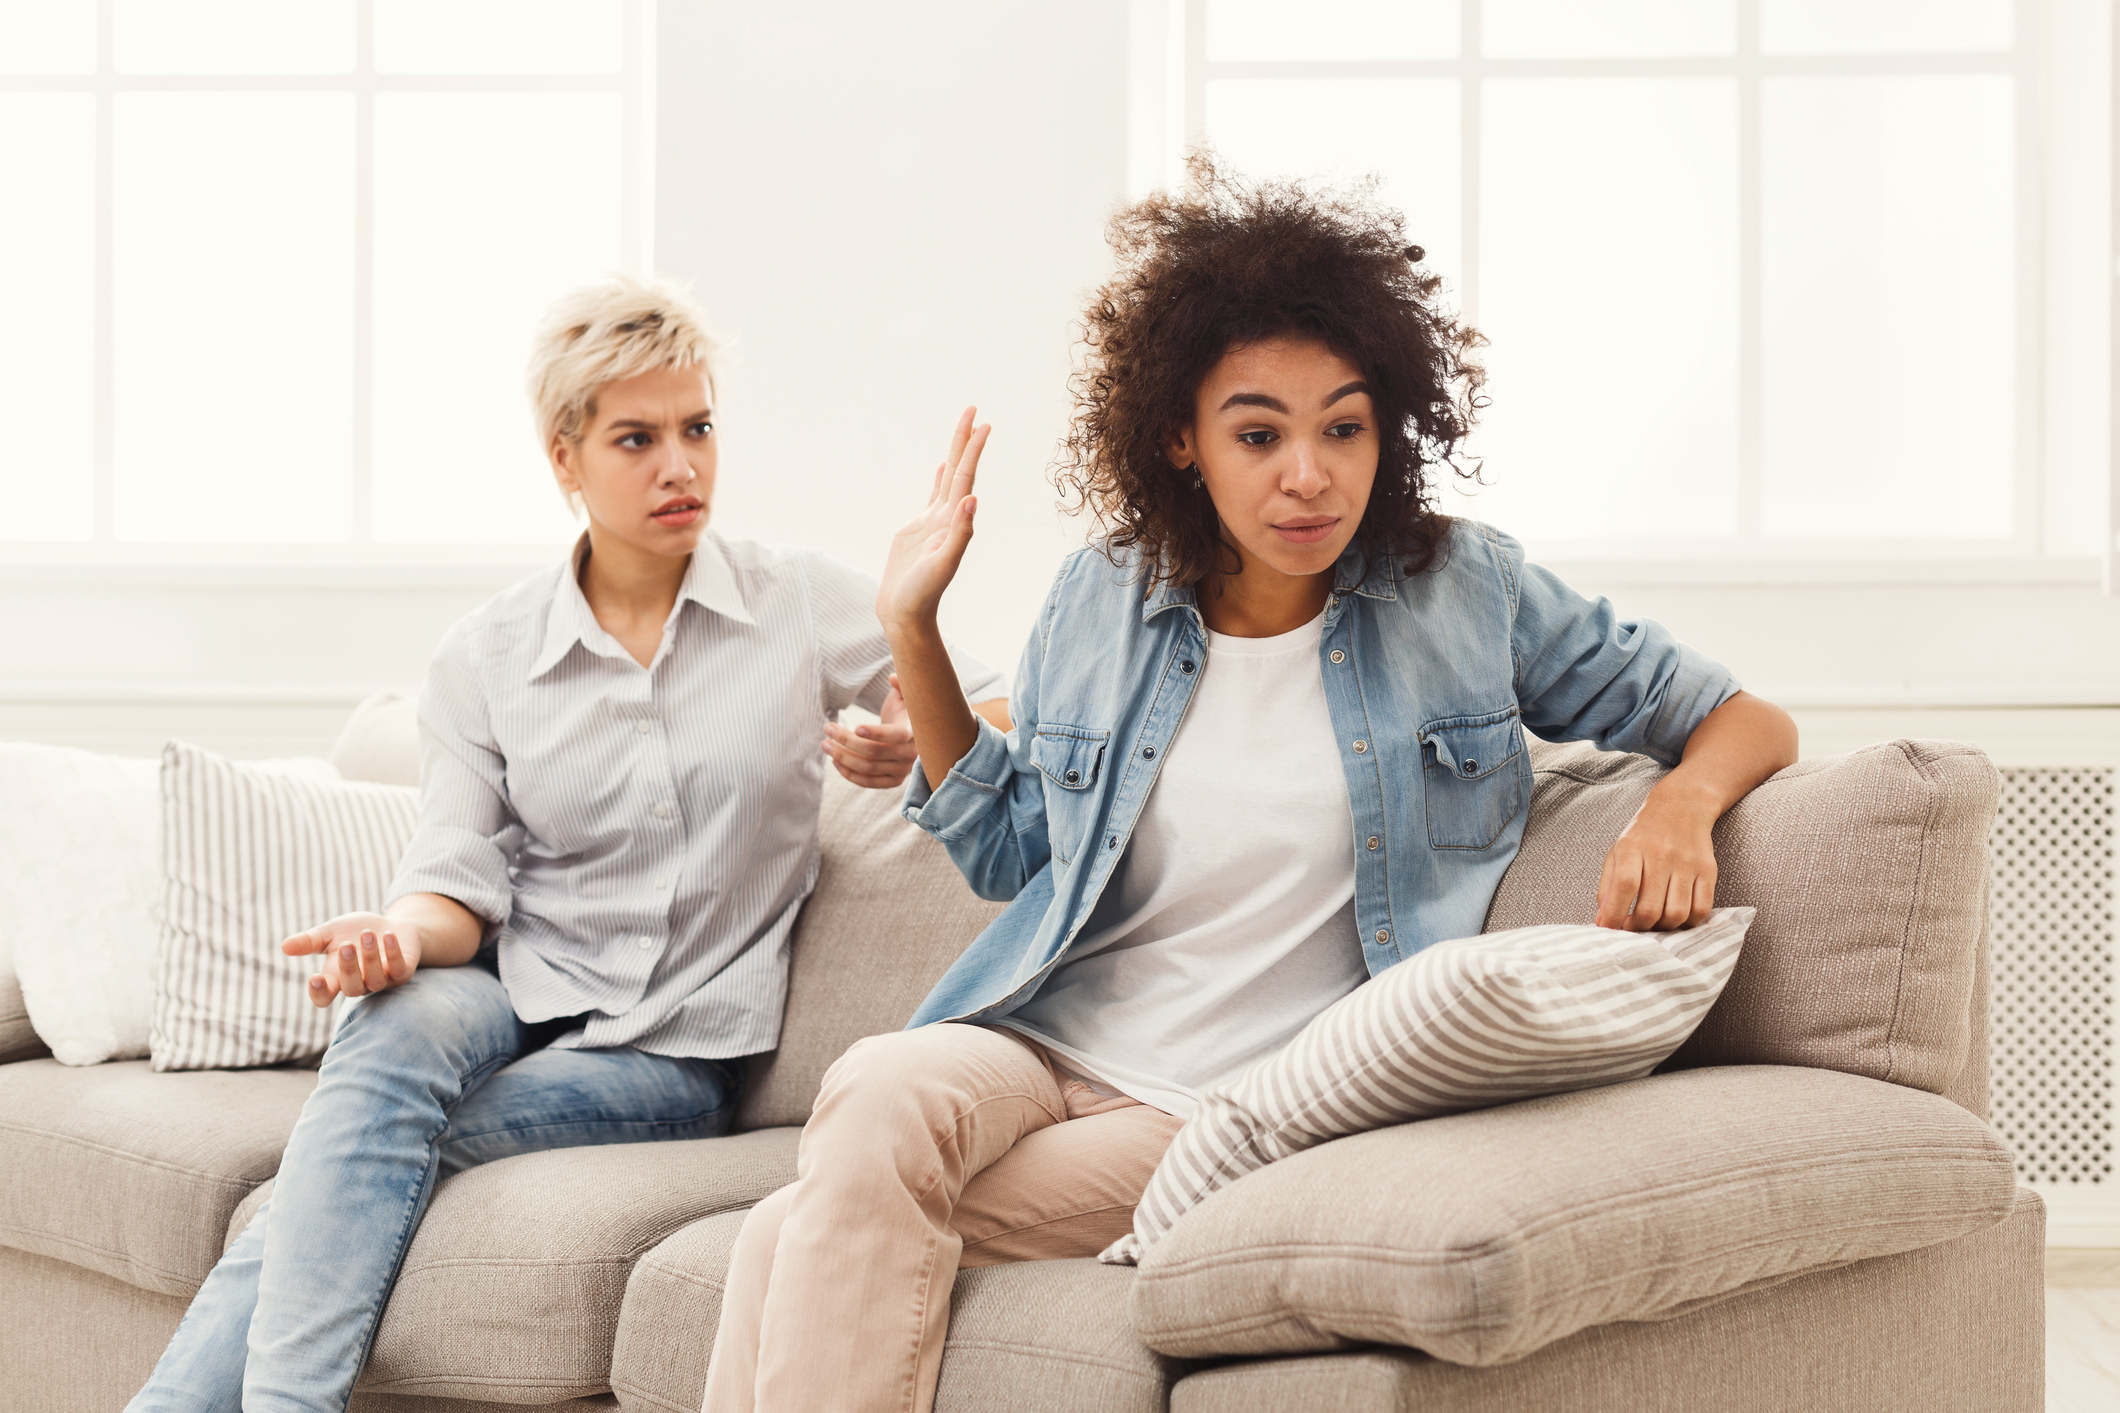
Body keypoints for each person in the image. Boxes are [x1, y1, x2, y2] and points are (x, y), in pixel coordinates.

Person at [701, 163, 1800, 1413]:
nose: (1309, 476)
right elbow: (1010, 853)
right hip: (1044, 1030)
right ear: (1182, 438)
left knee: (778, 1232)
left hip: (1215, 1102)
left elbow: (1738, 717)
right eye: (1258, 432)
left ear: (1388, 426)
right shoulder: (1103, 596)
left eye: (1343, 427)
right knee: (876, 1084)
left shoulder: (1466, 592)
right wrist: (914, 630)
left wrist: (1676, 803)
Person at [125, 274, 1007, 1413]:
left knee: (352, 1162)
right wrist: (394, 942)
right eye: (635, 439)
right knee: (390, 1035)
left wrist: (911, 734)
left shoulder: (793, 603)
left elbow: (997, 714)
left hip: (676, 1045)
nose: (680, 466)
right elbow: (453, 883)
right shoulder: (487, 654)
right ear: (564, 459)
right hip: (515, 987)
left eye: (696, 429)